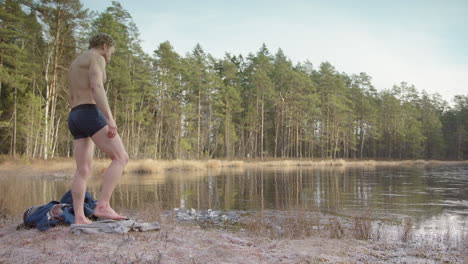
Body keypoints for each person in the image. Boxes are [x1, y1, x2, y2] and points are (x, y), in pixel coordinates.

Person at [68, 33, 128, 224]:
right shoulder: (97, 58)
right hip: (89, 112)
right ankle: (103, 205)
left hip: (75, 114)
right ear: (104, 46)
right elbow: (96, 86)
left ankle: (79, 217)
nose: (110, 55)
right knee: (120, 157)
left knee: (83, 170)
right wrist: (110, 118)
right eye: (111, 51)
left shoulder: (76, 62)